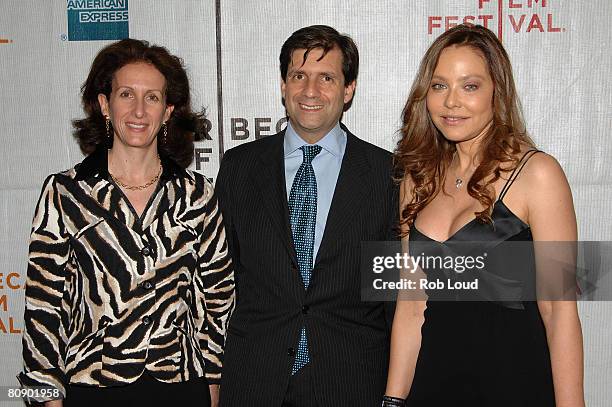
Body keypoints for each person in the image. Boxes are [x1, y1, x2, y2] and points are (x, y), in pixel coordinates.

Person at [19, 38, 234, 406]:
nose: (138, 110)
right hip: (91, 387)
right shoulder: (65, 192)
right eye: (126, 95)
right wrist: (44, 396)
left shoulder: (197, 194)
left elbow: (218, 297)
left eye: (151, 97)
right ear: (104, 104)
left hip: (181, 387)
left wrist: (214, 381)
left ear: (168, 110)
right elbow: (43, 306)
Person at [383, 24, 584, 407]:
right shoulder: (418, 177)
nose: (451, 102)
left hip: (514, 386)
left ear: (497, 92)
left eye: (469, 86)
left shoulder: (537, 174)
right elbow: (411, 307)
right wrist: (392, 400)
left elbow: (559, 312)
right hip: (433, 386)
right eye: (440, 86)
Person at [216, 25, 397, 406]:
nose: (310, 91)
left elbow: (396, 297)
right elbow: (218, 283)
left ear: (348, 90)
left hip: (351, 383)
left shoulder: (387, 175)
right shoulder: (239, 168)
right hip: (253, 382)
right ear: (283, 85)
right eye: (299, 76)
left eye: (326, 78)